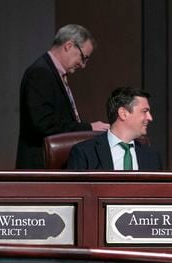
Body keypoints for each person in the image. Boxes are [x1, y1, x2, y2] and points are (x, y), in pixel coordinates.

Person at [16, 24, 109, 169]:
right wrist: (88, 128)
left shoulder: (54, 73)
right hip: (41, 169)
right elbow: (43, 124)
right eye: (83, 57)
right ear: (69, 46)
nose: (83, 65)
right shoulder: (41, 73)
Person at [67, 86, 162, 170]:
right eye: (144, 111)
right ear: (123, 113)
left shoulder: (152, 157)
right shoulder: (84, 152)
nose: (150, 118)